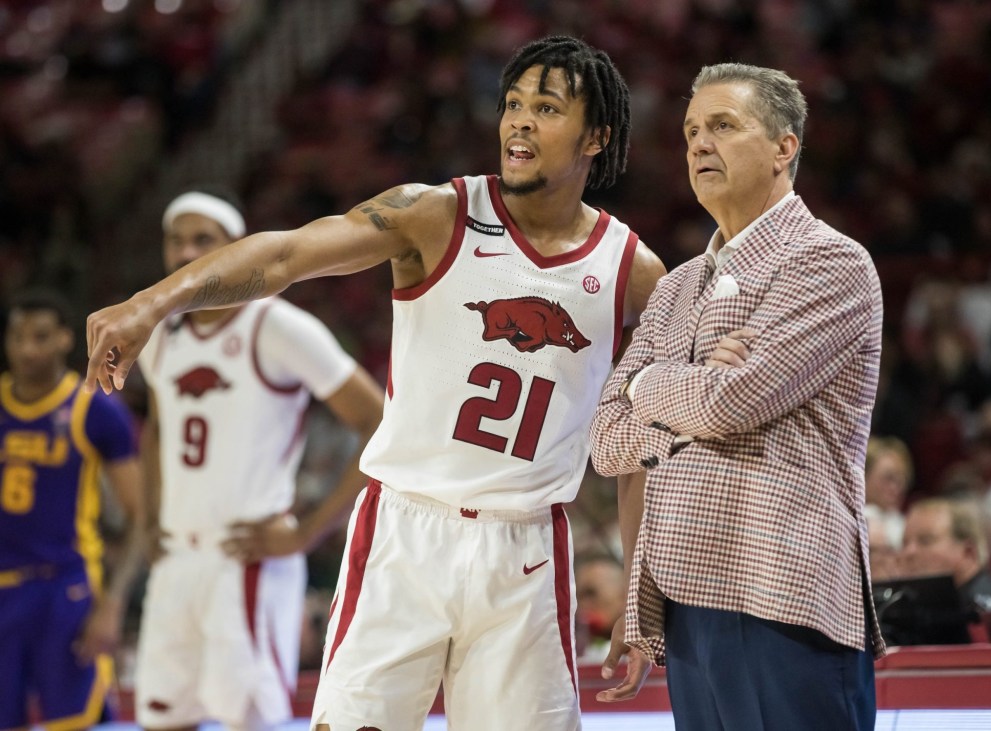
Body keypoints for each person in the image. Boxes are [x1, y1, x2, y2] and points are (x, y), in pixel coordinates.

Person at [84, 36, 664, 731]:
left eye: (546, 107)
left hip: (528, 551)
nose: (519, 121)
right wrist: (150, 303)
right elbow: (285, 254)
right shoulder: (435, 213)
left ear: (597, 134)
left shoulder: (634, 273)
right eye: (513, 103)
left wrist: (639, 597)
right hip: (405, 533)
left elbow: (639, 450)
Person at [589, 62, 884, 730]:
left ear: (785, 147)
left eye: (723, 125)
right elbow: (605, 441)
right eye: (692, 129)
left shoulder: (830, 262)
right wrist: (691, 390)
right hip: (687, 604)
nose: (698, 143)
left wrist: (647, 385)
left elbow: (732, 402)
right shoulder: (675, 286)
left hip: (787, 594)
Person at [130, 188, 385, 731]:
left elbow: (380, 421)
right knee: (161, 718)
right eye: (176, 241)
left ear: (236, 249)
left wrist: (307, 533)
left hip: (245, 558)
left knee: (251, 721)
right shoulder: (157, 335)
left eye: (204, 240)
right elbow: (159, 428)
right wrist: (151, 517)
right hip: (176, 557)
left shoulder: (278, 327)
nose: (185, 253)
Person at [0, 289, 145, 730]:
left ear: (66, 339)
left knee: (77, 722)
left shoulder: (96, 408)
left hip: (64, 592)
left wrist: (113, 605)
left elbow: (140, 514)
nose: (27, 348)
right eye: (18, 337)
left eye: (41, 337)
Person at [901, 497, 991, 613]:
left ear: (968, 552)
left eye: (925, 540)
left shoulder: (988, 614)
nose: (908, 552)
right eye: (904, 543)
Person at [863, 435, 913, 549]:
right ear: (864, 477)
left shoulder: (905, 526)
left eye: (902, 480)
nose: (897, 488)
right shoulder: (852, 522)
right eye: (889, 478)